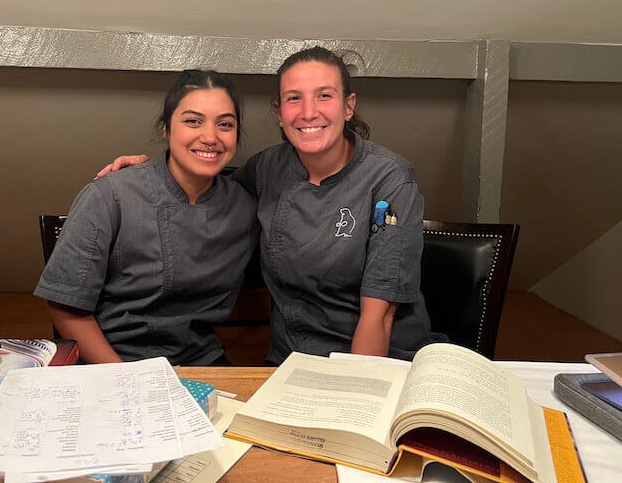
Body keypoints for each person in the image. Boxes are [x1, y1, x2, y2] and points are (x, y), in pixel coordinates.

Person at [100, 47, 434, 364]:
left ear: (348, 106)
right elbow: (208, 181)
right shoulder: (268, 168)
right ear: (279, 112)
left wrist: (355, 401)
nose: (308, 112)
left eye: (324, 95)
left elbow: (381, 314)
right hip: (290, 364)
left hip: (378, 362)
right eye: (294, 99)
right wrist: (149, 173)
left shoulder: (390, 177)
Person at [35, 70, 258, 365]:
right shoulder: (111, 194)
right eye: (193, 121)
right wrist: (130, 380)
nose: (210, 137)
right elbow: (65, 306)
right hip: (113, 364)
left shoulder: (244, 205)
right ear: (166, 128)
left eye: (225, 125)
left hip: (201, 362)